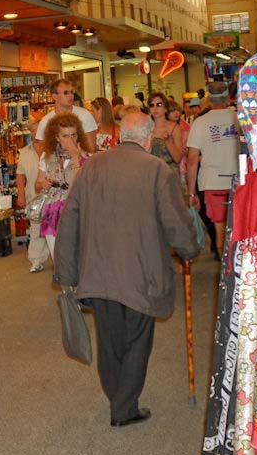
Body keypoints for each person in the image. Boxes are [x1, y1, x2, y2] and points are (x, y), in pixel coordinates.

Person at [54, 111, 200, 428]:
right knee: (137, 340)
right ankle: (124, 406)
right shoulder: (158, 170)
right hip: (141, 273)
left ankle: (120, 399)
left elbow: (70, 220)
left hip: (99, 271)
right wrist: (190, 249)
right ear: (149, 139)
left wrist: (65, 272)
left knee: (110, 340)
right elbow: (175, 220)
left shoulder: (91, 166)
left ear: (121, 136)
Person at [186, 81, 240, 258]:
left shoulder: (200, 123)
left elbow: (192, 160)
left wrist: (191, 192)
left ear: (209, 99)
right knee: (240, 227)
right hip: (240, 180)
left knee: (220, 228)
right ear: (228, 97)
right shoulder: (239, 117)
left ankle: (225, 275)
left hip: (212, 182)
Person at [35, 113, 94, 260]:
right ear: (56, 137)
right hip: (52, 212)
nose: (70, 140)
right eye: (65, 136)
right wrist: (43, 184)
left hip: (76, 212)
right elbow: (37, 185)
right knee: (58, 260)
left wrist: (76, 158)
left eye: (74, 135)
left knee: (77, 259)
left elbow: (82, 186)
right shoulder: (47, 156)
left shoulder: (88, 158)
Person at [15, 118, 48, 273]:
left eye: (38, 129)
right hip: (33, 197)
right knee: (36, 228)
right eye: (33, 130)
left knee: (54, 228)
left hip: (52, 196)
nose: (35, 133)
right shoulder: (24, 152)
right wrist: (20, 195)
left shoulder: (52, 150)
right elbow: (20, 175)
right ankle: (36, 259)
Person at [35, 78, 97, 149]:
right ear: (54, 96)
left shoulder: (84, 115)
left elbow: (91, 148)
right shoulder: (46, 121)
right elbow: (42, 151)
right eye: (65, 93)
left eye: (71, 92)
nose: (70, 96)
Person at [146, 92, 186, 174]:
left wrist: (168, 141)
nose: (155, 108)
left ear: (165, 109)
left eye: (159, 105)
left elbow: (178, 158)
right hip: (152, 173)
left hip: (170, 174)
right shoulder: (146, 128)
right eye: (152, 105)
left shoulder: (175, 128)